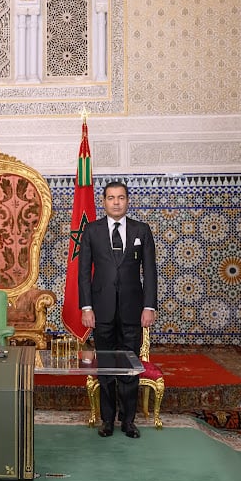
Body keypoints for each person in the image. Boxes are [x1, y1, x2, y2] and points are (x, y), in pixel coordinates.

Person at [78, 181, 157, 439]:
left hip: (133, 311)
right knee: (106, 368)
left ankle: (129, 420)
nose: (116, 202)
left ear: (127, 201)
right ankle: (107, 420)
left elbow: (150, 272)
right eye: (111, 198)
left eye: (120, 197)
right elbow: (83, 273)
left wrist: (149, 306)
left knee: (129, 367)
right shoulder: (92, 231)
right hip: (101, 312)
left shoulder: (141, 230)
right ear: (104, 201)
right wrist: (86, 307)